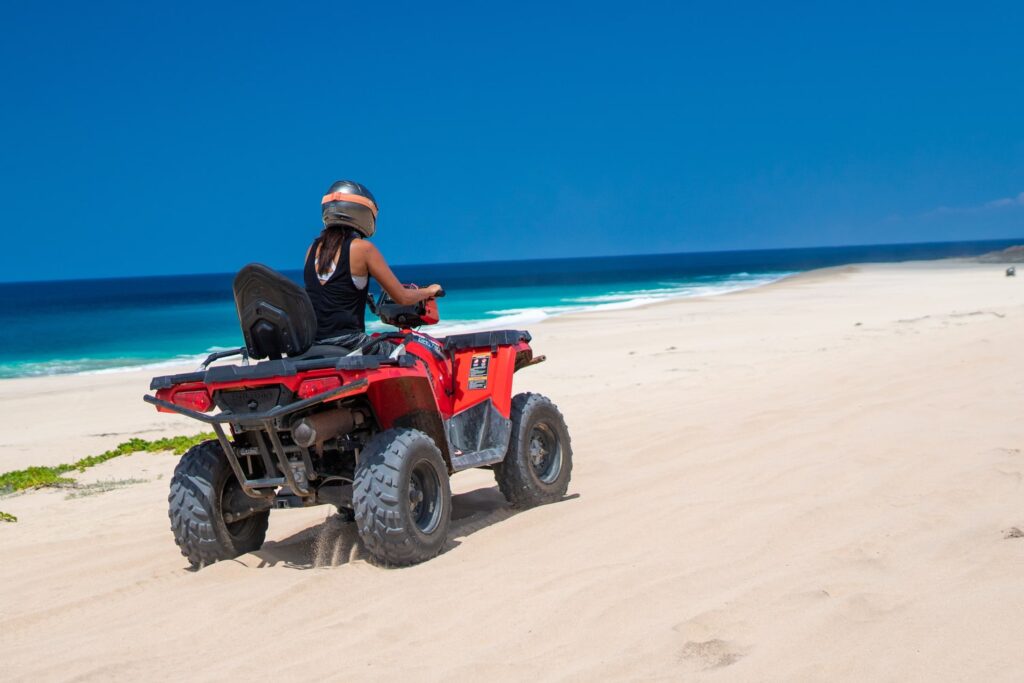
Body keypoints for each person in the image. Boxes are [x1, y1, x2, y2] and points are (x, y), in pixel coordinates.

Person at [304, 180, 442, 353]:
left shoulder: (312, 250)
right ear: (362, 213)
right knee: (414, 353)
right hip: (350, 342)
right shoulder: (363, 249)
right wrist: (429, 291)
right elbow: (403, 297)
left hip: (313, 344)